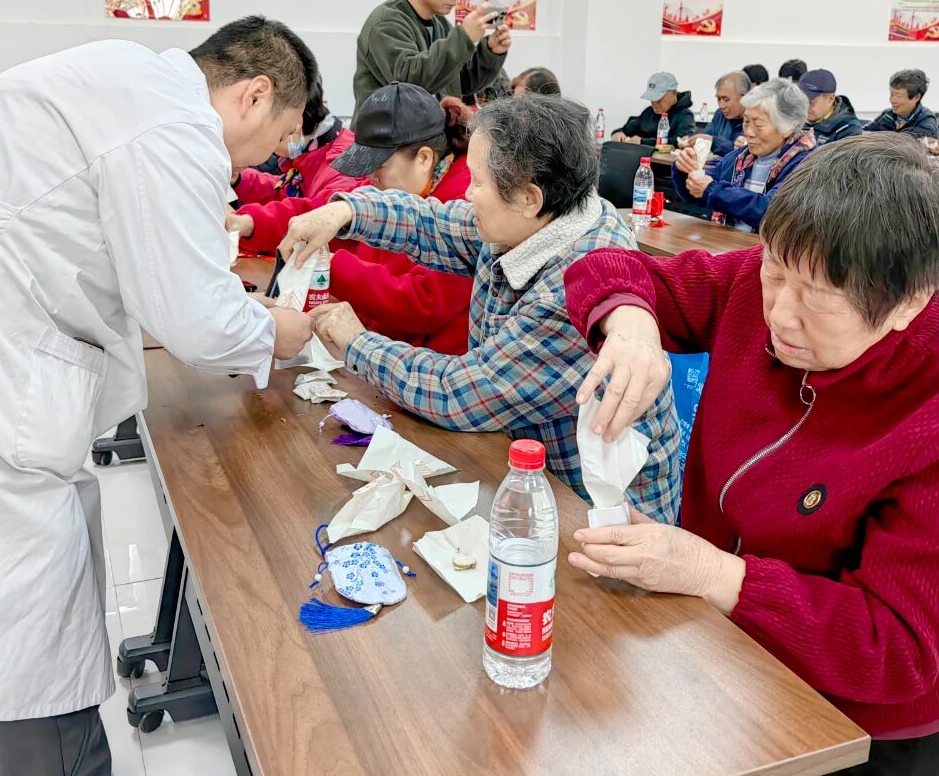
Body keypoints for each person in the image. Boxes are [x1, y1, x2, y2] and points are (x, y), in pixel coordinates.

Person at [0, 16, 319, 776]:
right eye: (281, 137)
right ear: (254, 95)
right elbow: (199, 323)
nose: (268, 160)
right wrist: (274, 332)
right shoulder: (174, 123)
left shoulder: (120, 77)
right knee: (16, 648)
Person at [563, 134, 939, 776]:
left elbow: (893, 652)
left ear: (908, 302)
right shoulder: (781, 280)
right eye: (775, 271)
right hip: (729, 643)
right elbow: (607, 268)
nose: (779, 315)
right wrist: (633, 325)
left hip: (868, 726)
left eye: (816, 297)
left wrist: (712, 572)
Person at [280, 95, 683, 523]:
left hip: (596, 508)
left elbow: (458, 393)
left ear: (529, 197)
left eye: (476, 182)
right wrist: (346, 211)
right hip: (531, 472)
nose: (466, 193)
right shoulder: (535, 220)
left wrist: (356, 343)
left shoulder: (570, 293)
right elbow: (433, 224)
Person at [322, 83, 474, 353]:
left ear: (424, 158)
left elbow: (423, 303)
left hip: (429, 366)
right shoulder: (391, 183)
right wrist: (253, 222)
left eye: (379, 166)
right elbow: (323, 210)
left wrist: (329, 267)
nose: (370, 177)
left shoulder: (466, 203)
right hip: (380, 351)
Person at [353, 0, 510, 106]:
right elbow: (410, 85)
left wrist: (491, 51)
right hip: (392, 124)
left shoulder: (440, 24)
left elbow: (461, 81)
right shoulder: (385, 23)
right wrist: (464, 37)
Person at [226, 84, 361, 255]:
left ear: (296, 122)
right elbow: (285, 191)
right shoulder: (313, 150)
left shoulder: (343, 163)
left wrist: (249, 222)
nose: (266, 144)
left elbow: (314, 218)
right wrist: (240, 179)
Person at [673, 78, 815, 233]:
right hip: (729, 243)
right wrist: (686, 169)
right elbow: (698, 195)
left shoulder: (808, 166)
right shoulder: (739, 158)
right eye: (746, 122)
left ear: (787, 128)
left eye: (759, 125)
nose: (749, 132)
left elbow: (773, 214)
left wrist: (713, 190)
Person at [609, 71, 696, 148]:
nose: (654, 104)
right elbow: (626, 130)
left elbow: (680, 142)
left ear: (673, 93)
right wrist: (618, 133)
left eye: (659, 99)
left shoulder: (685, 116)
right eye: (652, 98)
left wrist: (643, 142)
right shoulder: (648, 112)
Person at [680, 71, 748, 159]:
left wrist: (713, 141)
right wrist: (690, 139)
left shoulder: (753, 119)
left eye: (726, 99)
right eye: (718, 99)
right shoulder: (720, 114)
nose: (721, 105)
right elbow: (706, 135)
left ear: (744, 97)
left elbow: (740, 151)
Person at [864, 69, 939, 140]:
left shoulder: (926, 120)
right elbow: (862, 132)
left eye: (899, 96)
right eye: (892, 94)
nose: (892, 100)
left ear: (916, 97)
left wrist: (874, 136)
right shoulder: (887, 115)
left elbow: (906, 143)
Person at [798, 68, 862, 146]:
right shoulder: (793, 121)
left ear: (830, 99)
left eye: (811, 102)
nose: (805, 107)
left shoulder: (849, 131)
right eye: (801, 101)